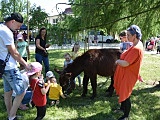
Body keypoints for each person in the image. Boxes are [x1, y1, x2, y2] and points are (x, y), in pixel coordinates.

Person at [0, 12, 30, 120]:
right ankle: (12, 117)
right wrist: (25, 64)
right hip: (10, 67)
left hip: (3, 67)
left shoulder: (1, 28)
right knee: (21, 92)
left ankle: (10, 114)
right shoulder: (6, 32)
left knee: (8, 93)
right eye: (17, 26)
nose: (18, 29)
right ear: (12, 22)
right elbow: (14, 53)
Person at [114, 25, 144, 120]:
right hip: (126, 74)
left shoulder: (136, 48)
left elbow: (126, 63)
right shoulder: (136, 44)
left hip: (129, 75)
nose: (127, 37)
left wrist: (117, 61)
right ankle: (122, 109)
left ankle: (126, 116)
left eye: (128, 35)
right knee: (123, 92)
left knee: (126, 94)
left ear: (134, 35)